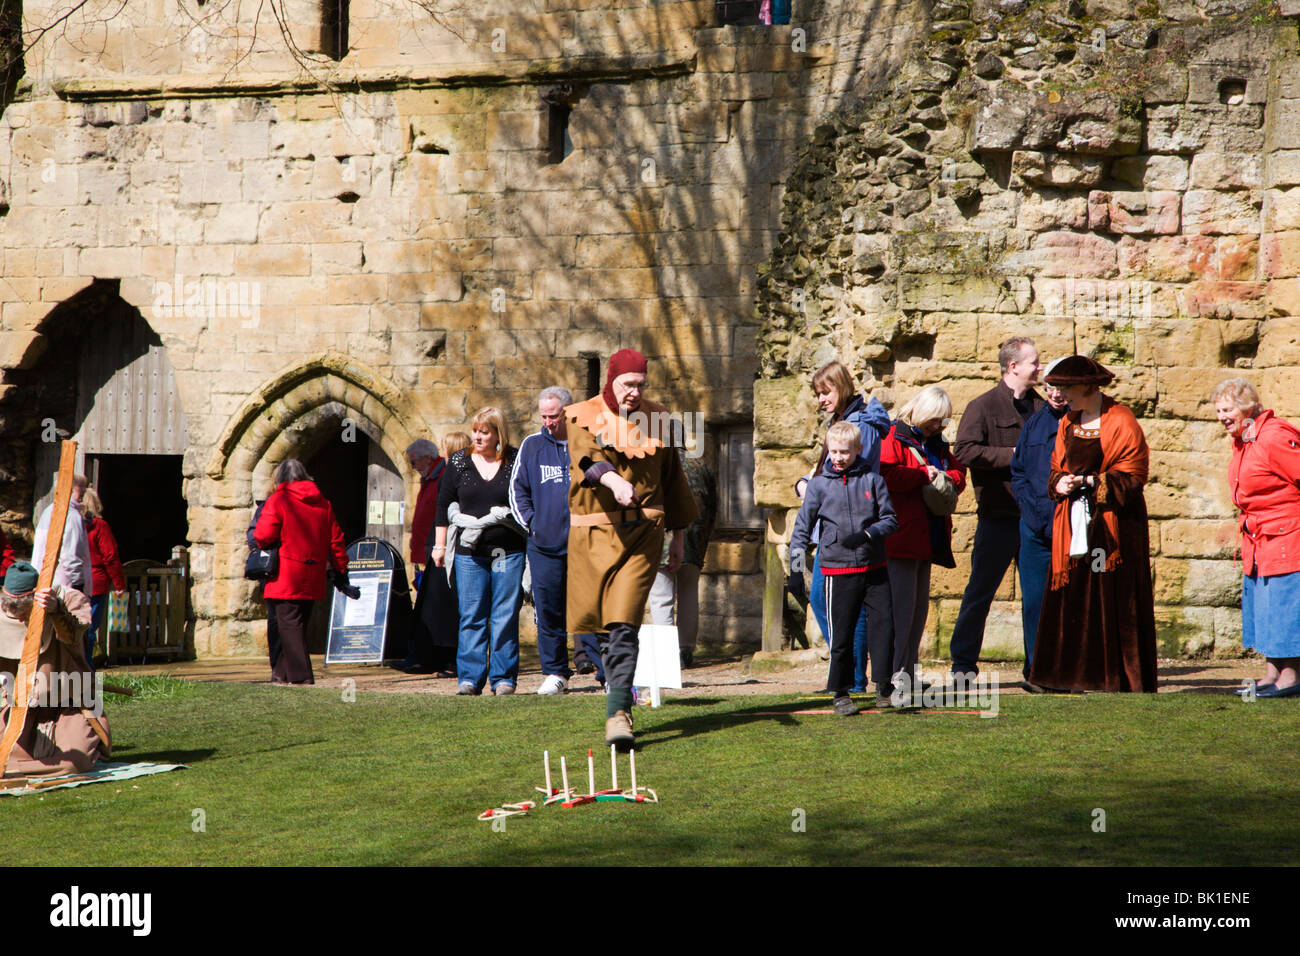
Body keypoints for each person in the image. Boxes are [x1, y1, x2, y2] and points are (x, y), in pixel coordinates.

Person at [564, 349, 698, 746]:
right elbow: (587, 460)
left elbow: (674, 481)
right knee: (603, 627)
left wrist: (679, 537)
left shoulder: (659, 418)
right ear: (611, 381)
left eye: (641, 385)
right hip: (594, 536)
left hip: (642, 535)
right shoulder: (581, 416)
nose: (634, 393)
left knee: (624, 622)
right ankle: (618, 692)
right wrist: (612, 481)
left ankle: (619, 714)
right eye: (627, 385)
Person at [1028, 356, 1157, 693]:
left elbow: (1132, 476)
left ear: (1087, 386)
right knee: (1074, 593)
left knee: (1109, 595)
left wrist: (1089, 482)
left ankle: (1114, 679)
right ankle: (1064, 678)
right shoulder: (1068, 421)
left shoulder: (1120, 420)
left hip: (1114, 528)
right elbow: (1056, 467)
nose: (1061, 394)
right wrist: (1059, 484)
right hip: (1074, 525)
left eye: (1066, 387)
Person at [793, 360, 891, 692]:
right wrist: (805, 483)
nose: (821, 399)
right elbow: (827, 471)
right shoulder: (842, 420)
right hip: (833, 528)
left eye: (826, 391)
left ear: (842, 387)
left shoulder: (859, 425)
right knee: (827, 602)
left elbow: (851, 476)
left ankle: (852, 678)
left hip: (848, 532)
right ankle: (849, 675)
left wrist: (815, 488)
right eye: (818, 394)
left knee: (838, 604)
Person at [949, 337, 1044, 675]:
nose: (1039, 367)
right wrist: (1013, 456)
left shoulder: (1042, 409)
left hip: (1034, 519)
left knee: (1038, 598)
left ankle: (1037, 668)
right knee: (980, 593)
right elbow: (963, 451)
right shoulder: (983, 406)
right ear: (1013, 366)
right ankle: (962, 665)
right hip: (997, 518)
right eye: (1034, 361)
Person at [789, 421, 898, 715]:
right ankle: (840, 692)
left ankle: (884, 689)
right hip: (837, 570)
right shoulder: (819, 485)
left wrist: (866, 535)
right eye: (833, 452)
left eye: (844, 452)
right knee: (842, 634)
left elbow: (890, 520)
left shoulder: (874, 481)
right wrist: (795, 571)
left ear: (858, 450)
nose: (838, 458)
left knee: (884, 629)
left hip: (874, 568)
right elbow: (801, 530)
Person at [510, 386, 605, 695]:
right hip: (544, 545)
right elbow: (517, 490)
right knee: (548, 609)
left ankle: (607, 674)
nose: (548, 421)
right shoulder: (532, 445)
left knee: (593, 609)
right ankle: (555, 673)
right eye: (544, 416)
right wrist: (533, 523)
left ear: (568, 412)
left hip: (586, 543)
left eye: (554, 416)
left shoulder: (590, 441)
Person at [1213, 377, 1300, 699]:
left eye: (1227, 409)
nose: (1221, 416)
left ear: (1249, 407)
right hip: (1259, 538)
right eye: (1218, 410)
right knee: (1265, 609)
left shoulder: (1274, 436)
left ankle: (1291, 678)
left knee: (1285, 608)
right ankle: (1271, 674)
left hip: (1286, 536)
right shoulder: (1245, 438)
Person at [879, 385, 966, 699]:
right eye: (935, 420)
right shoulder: (892, 437)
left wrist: (946, 478)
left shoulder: (937, 443)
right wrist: (923, 474)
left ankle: (908, 674)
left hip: (927, 537)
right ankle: (893, 680)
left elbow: (958, 473)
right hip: (901, 538)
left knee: (917, 614)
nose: (939, 427)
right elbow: (887, 476)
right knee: (900, 613)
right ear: (922, 413)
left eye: (943, 422)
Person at [434, 408, 527, 696]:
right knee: (471, 615)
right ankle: (470, 679)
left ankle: (503, 679)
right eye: (475, 431)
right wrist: (439, 545)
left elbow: (526, 499)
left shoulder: (514, 460)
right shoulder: (459, 461)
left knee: (504, 616)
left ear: (499, 434)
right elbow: (444, 505)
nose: (477, 436)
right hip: (469, 554)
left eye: (484, 432)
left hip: (507, 551)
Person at [0, 560, 111, 776]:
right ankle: (18, 767)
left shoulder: (69, 600)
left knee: (74, 761)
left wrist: (57, 610)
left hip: (70, 703)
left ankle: (15, 770)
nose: (20, 618)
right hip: (19, 707)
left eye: (24, 612)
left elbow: (73, 635)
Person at [253, 459, 349, 685]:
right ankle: (280, 673)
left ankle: (302, 676)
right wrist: (341, 569)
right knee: (298, 625)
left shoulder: (279, 500)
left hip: (285, 573)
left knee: (289, 627)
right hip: (312, 573)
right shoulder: (323, 503)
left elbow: (263, 535)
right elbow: (336, 541)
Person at [1010, 359, 1070, 685]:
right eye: (1051, 386)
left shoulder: (1084, 423)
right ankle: (1035, 670)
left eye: (1062, 387)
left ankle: (1066, 670)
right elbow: (1018, 472)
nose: (1056, 393)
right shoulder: (1033, 425)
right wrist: (1028, 509)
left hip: (1070, 527)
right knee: (1034, 601)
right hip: (1033, 527)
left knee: (1068, 602)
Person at [648, 454, 718, 668]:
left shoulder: (656, 464)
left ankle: (665, 656)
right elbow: (713, 504)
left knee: (661, 597)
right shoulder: (701, 467)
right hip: (695, 540)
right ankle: (685, 650)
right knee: (689, 594)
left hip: (662, 538)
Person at [397, 438, 456, 676]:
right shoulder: (429, 477)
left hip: (439, 550)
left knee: (440, 609)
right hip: (428, 551)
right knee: (427, 609)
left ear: (428, 458)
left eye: (414, 461)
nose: (411, 466)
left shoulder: (442, 476)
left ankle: (443, 660)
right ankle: (424, 657)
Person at [80, 488, 126, 676]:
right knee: (90, 627)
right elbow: (110, 556)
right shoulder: (99, 526)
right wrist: (119, 583)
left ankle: (76, 666)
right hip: (96, 582)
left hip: (73, 580)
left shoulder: (72, 524)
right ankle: (87, 667)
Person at [31, 473, 93, 599]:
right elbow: (72, 555)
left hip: (45, 582)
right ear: (69, 487)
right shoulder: (71, 515)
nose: (83, 491)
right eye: (79, 486)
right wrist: (78, 586)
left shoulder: (48, 511)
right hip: (65, 587)